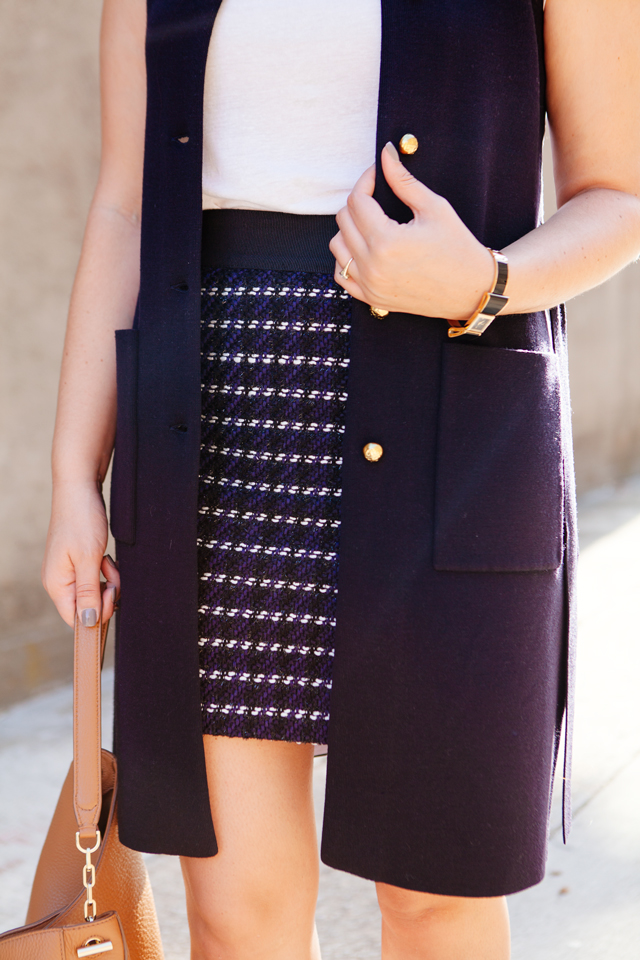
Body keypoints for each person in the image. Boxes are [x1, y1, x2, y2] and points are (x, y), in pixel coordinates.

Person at [42, 1, 640, 958]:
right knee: (240, 917)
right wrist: (76, 469)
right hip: (212, 426)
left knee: (433, 901)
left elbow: (620, 192)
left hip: (456, 417)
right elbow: (125, 200)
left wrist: (487, 283)